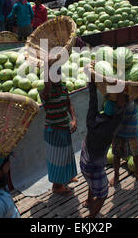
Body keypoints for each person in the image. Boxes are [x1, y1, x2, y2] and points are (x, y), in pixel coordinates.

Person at [80, 79, 128, 218]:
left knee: (92, 182)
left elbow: (93, 102)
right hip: (95, 166)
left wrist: (92, 84)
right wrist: (120, 88)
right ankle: (90, 218)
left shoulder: (92, 120)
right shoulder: (110, 129)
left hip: (83, 162)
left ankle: (89, 200)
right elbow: (119, 112)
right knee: (102, 194)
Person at [41, 64, 78, 197]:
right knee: (57, 158)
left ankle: (67, 177)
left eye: (58, 73)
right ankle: (57, 186)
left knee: (67, 154)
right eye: (53, 74)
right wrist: (47, 64)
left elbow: (69, 103)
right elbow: (47, 87)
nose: (56, 76)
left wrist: (73, 119)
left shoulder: (63, 88)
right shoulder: (45, 91)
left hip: (64, 128)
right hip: (53, 131)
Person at [110, 99, 138, 187]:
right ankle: (116, 175)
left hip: (132, 134)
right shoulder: (113, 101)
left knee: (136, 155)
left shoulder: (134, 100)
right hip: (118, 134)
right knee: (117, 156)